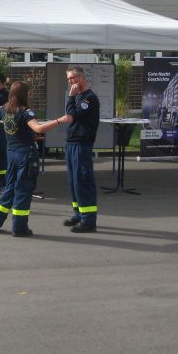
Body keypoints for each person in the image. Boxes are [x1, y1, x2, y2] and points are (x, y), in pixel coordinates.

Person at [0, 80, 67, 237]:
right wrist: (59, 121)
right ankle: (19, 228)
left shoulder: (4, 109)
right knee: (23, 190)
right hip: (26, 154)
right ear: (25, 94)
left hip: (11, 154)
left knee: (9, 188)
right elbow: (38, 128)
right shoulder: (26, 112)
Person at [63, 66, 100, 233]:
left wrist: (70, 98)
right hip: (72, 143)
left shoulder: (89, 98)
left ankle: (89, 220)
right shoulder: (79, 97)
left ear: (81, 78)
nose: (70, 82)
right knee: (73, 182)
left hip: (81, 144)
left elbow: (73, 115)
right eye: (69, 79)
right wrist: (72, 98)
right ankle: (78, 213)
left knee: (82, 181)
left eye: (73, 78)